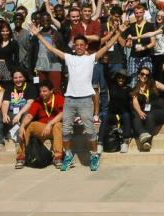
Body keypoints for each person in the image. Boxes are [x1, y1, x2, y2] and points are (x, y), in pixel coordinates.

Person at [29, 24, 121, 171]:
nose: (79, 47)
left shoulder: (91, 58)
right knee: (65, 131)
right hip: (70, 99)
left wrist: (118, 33)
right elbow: (52, 49)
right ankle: (69, 155)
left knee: (90, 131)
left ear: (85, 47)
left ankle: (94, 155)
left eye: (81, 45)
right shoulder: (69, 58)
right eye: (76, 45)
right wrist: (39, 36)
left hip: (85, 100)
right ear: (74, 46)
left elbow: (106, 46)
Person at [15, 80, 64, 169]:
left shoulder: (59, 98)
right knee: (28, 125)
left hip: (55, 127)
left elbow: (62, 114)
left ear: (51, 90)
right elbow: (29, 115)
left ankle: (58, 157)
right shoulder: (38, 101)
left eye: (44, 91)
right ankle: (21, 156)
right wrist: (22, 126)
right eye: (40, 91)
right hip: (42, 128)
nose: (42, 94)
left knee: (57, 125)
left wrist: (50, 124)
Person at [132, 66, 164, 150]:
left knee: (150, 115)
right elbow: (135, 102)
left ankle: (146, 139)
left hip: (158, 111)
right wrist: (139, 111)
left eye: (147, 75)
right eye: (142, 74)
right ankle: (144, 137)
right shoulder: (136, 88)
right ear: (138, 75)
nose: (144, 76)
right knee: (135, 113)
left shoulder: (153, 83)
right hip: (146, 112)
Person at [28, 12, 66, 93]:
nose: (46, 22)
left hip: (55, 67)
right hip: (40, 67)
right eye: (43, 20)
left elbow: (63, 50)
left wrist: (56, 42)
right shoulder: (36, 35)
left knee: (56, 90)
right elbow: (31, 53)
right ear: (40, 21)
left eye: (48, 20)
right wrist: (31, 70)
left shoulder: (57, 34)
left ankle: (57, 106)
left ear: (51, 21)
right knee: (41, 91)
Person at [120, 4, 155, 88]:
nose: (138, 14)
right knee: (132, 81)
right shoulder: (131, 26)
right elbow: (128, 43)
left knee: (147, 80)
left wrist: (144, 47)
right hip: (134, 57)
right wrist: (128, 44)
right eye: (136, 13)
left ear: (144, 13)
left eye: (140, 12)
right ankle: (133, 100)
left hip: (146, 56)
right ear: (134, 14)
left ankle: (146, 100)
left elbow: (153, 43)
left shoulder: (150, 25)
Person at [1, 70, 38, 140]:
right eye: (15, 78)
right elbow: (5, 102)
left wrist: (19, 114)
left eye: (20, 77)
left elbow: (29, 103)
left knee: (27, 114)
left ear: (24, 78)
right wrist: (4, 114)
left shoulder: (31, 87)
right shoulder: (9, 87)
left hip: (23, 113)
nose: (18, 80)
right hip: (11, 113)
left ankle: (19, 137)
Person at [0, 21, 19, 90]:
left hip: (8, 69)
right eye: (3, 31)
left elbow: (16, 59)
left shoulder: (13, 43)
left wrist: (14, 72)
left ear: (9, 31)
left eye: (7, 31)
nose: (5, 33)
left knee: (7, 89)